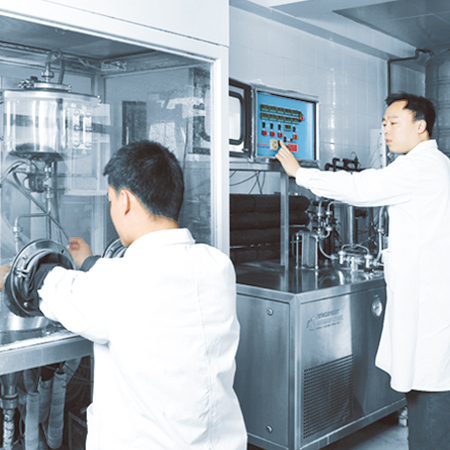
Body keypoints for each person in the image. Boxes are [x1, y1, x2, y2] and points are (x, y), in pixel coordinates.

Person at [0, 140, 247, 450]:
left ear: (126, 200)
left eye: (110, 200)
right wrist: (90, 263)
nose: (112, 210)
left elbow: (50, 284)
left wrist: (10, 275)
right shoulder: (217, 266)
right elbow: (140, 287)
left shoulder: (120, 283)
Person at [275, 93, 450, 450]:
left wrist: (300, 173)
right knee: (426, 391)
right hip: (431, 297)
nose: (386, 130)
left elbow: (361, 188)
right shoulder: (438, 164)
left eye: (394, 123)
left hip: (428, 305)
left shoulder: (417, 167)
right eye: (384, 123)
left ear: (421, 126)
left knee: (429, 398)